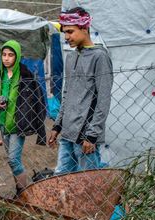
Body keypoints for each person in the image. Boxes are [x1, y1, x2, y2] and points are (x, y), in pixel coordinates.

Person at [47, 7, 113, 174]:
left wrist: (92, 135)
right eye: (64, 32)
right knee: (61, 178)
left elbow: (103, 100)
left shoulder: (100, 57)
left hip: (85, 136)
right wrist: (57, 126)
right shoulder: (71, 56)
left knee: (87, 184)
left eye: (70, 31)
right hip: (67, 134)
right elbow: (67, 94)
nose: (67, 37)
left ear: (84, 28)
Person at [0, 40, 47, 196]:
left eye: (10, 55)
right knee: (12, 160)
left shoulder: (26, 76)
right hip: (2, 122)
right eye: (4, 55)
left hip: (17, 124)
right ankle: (20, 192)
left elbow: (38, 100)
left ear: (17, 56)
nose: (6, 58)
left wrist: (36, 122)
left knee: (13, 159)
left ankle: (23, 192)